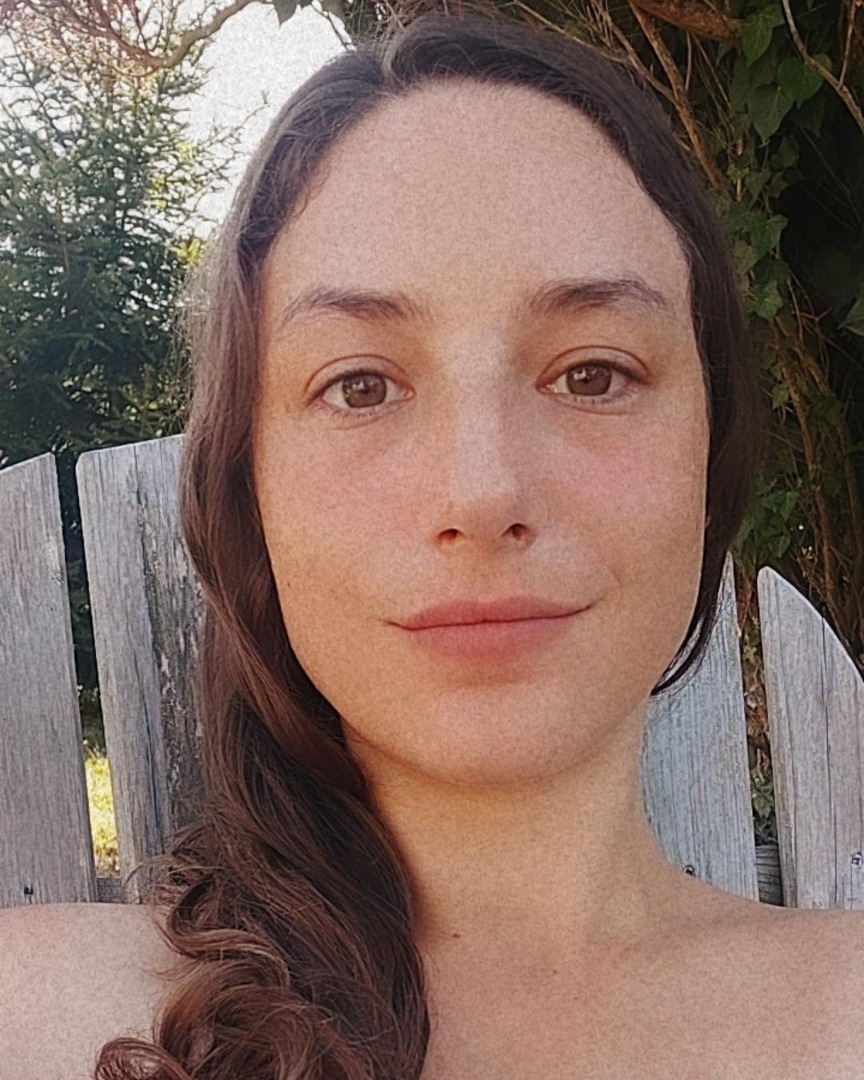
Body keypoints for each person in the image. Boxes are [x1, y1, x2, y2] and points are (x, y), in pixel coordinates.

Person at [2, 6, 862, 1080]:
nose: (483, 491)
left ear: (711, 452)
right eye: (361, 386)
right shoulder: (32, 1020)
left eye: (592, 373)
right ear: (248, 491)